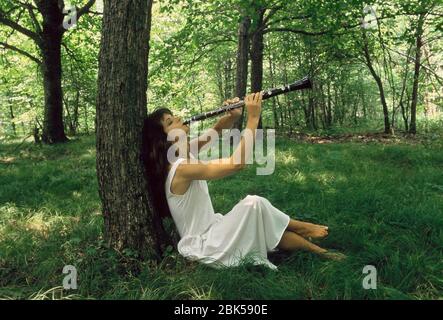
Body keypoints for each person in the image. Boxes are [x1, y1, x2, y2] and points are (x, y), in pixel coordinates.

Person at [141, 92, 345, 270]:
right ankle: (300, 226)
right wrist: (253, 118)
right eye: (170, 122)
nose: (178, 118)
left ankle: (321, 253)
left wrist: (233, 116)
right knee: (253, 204)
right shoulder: (180, 168)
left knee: (264, 222)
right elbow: (235, 164)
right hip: (205, 243)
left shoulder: (182, 153)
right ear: (164, 139)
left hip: (215, 228)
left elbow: (215, 131)